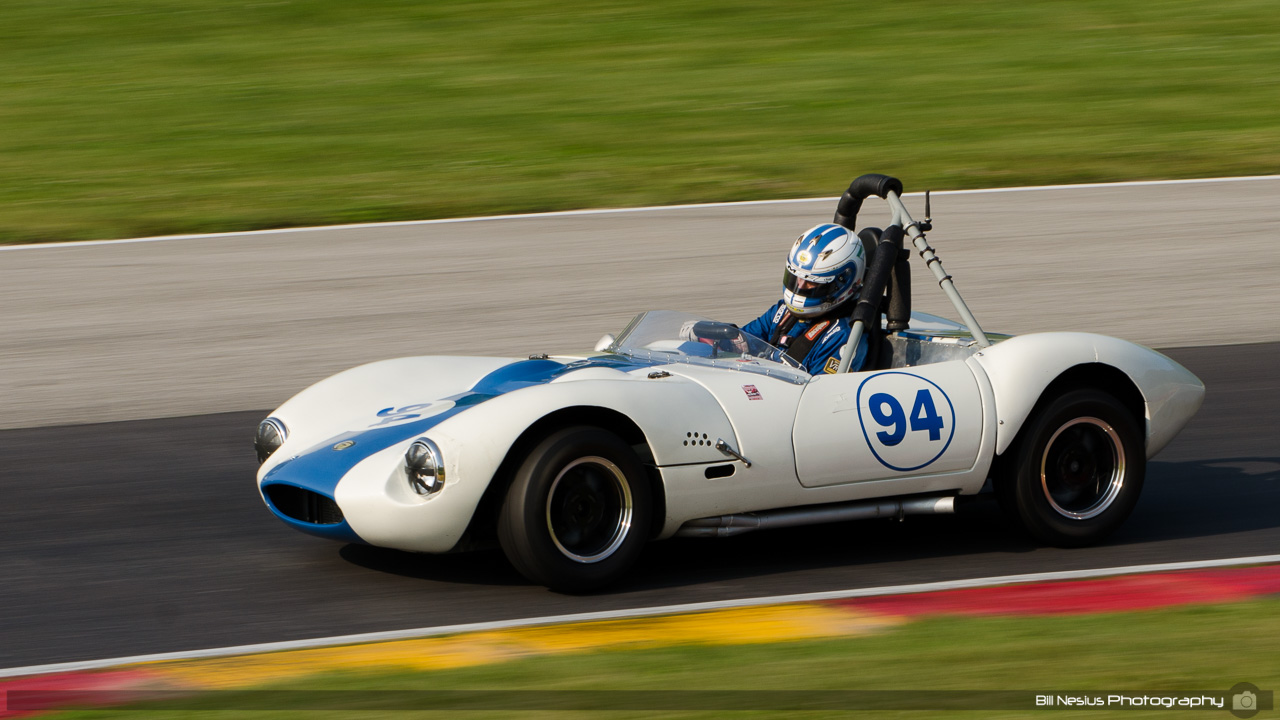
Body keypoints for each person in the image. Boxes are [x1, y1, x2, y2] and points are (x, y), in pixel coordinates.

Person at [741, 223, 868, 374]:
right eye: (795, 276)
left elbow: (823, 387)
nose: (800, 285)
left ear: (841, 282)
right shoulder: (782, 312)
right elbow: (742, 338)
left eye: (811, 282)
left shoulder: (843, 336)